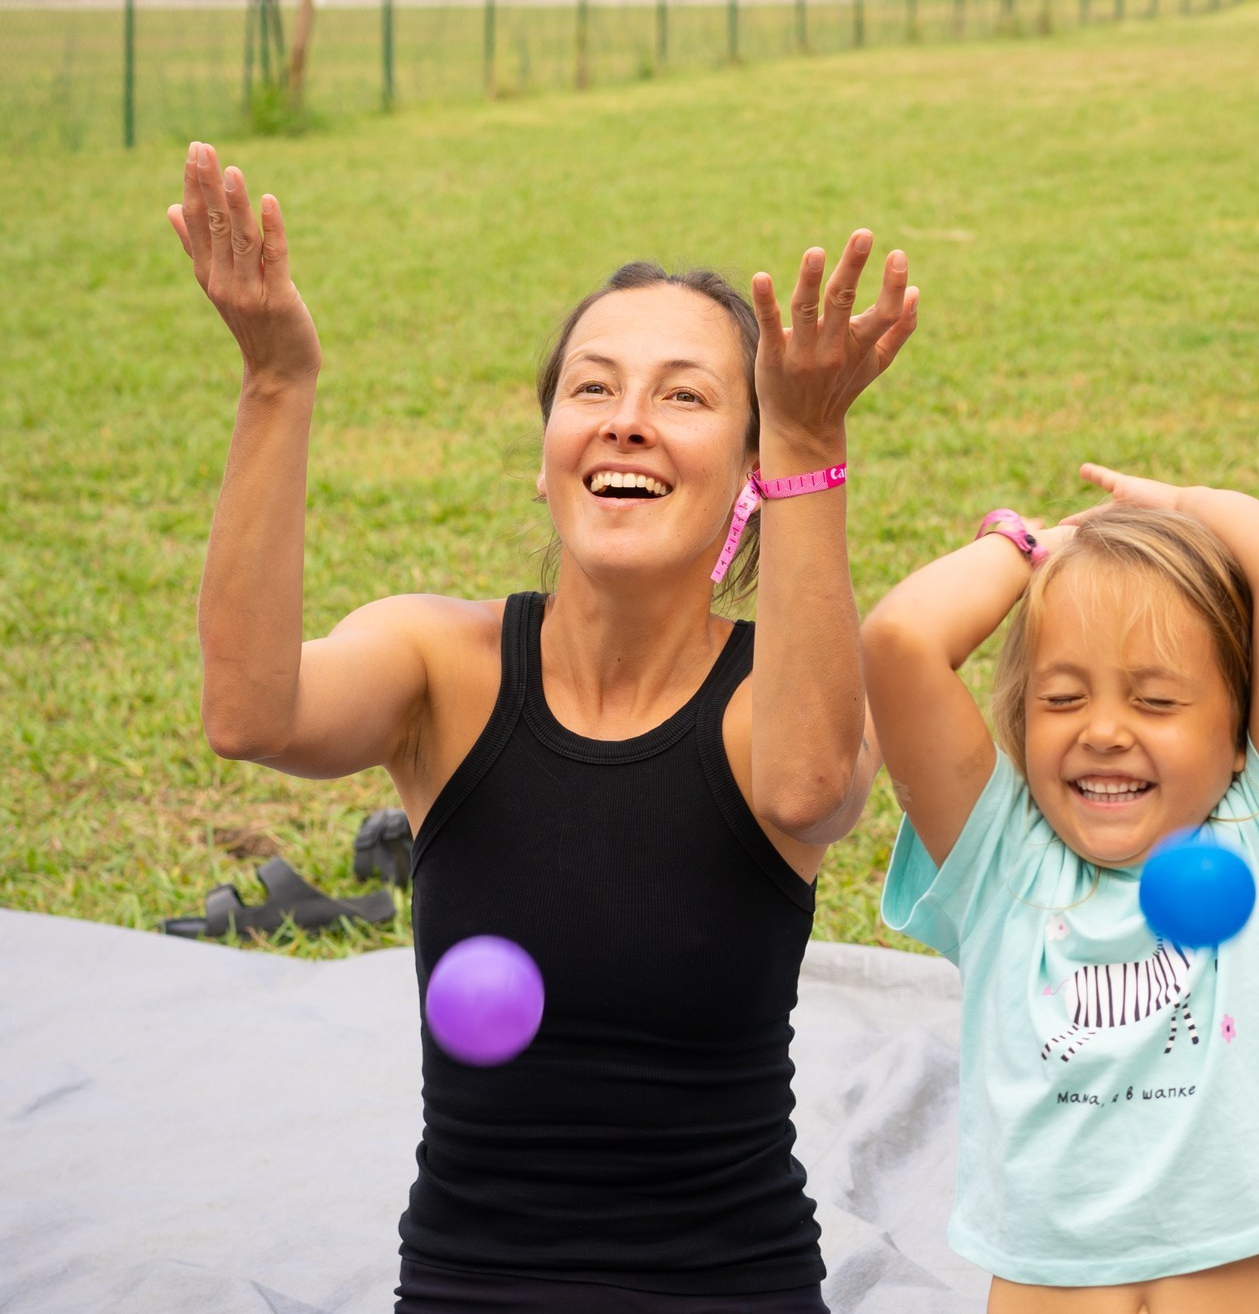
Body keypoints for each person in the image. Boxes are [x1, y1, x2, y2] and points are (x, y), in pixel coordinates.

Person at [169, 139, 918, 1311]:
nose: (627, 420)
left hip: (730, 1290)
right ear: (545, 458)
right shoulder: (440, 668)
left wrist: (813, 448)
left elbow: (809, 791)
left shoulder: (782, 693)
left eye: (685, 395)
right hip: (473, 1285)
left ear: (744, 473)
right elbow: (250, 711)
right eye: (591, 387)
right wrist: (277, 383)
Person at [863, 465, 1259, 1311]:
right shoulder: (999, 863)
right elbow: (900, 640)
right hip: (1047, 1280)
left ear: (1239, 735)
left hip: (1231, 1273)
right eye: (1062, 697)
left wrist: (1182, 508)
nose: (1105, 730)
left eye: (1156, 700)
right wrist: (1029, 545)